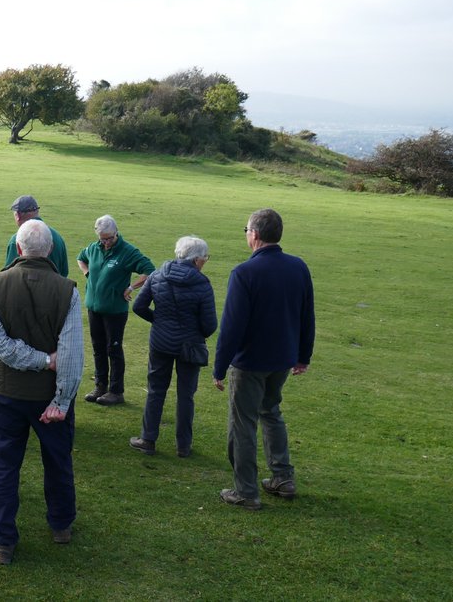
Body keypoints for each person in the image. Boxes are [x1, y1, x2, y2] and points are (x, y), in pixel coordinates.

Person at [0, 220, 83, 565]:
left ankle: (3, 539)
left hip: (6, 392)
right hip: (48, 396)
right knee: (57, 460)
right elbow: (71, 354)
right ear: (51, 249)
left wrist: (38, 364)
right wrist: (61, 399)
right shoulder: (67, 289)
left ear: (19, 249)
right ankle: (61, 524)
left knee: (4, 465)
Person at [215, 209, 315, 510]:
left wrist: (219, 367)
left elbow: (232, 326)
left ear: (254, 235)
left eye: (246, 229)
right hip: (282, 359)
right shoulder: (298, 267)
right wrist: (303, 356)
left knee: (243, 423)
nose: (246, 233)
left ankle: (245, 491)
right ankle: (283, 477)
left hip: (250, 363)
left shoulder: (244, 273)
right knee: (271, 412)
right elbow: (306, 316)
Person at [129, 236, 218, 458]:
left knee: (156, 391)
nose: (205, 262)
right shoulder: (202, 283)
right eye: (205, 258)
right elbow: (209, 325)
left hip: (161, 342)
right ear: (197, 260)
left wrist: (159, 321)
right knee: (186, 395)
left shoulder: (158, 275)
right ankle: (183, 446)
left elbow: (139, 307)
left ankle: (148, 439)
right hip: (190, 345)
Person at [77, 215, 155, 406]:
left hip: (115, 311)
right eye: (103, 239)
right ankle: (100, 385)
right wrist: (87, 273)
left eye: (110, 238)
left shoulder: (127, 252)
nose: (106, 243)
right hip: (94, 308)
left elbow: (150, 270)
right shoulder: (94, 248)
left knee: (113, 348)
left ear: (116, 233)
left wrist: (131, 287)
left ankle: (116, 391)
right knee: (98, 348)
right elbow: (81, 258)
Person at [2, 195, 68, 276]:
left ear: (18, 216)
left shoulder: (17, 239)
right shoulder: (58, 238)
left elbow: (9, 274)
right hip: (56, 287)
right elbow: (64, 272)